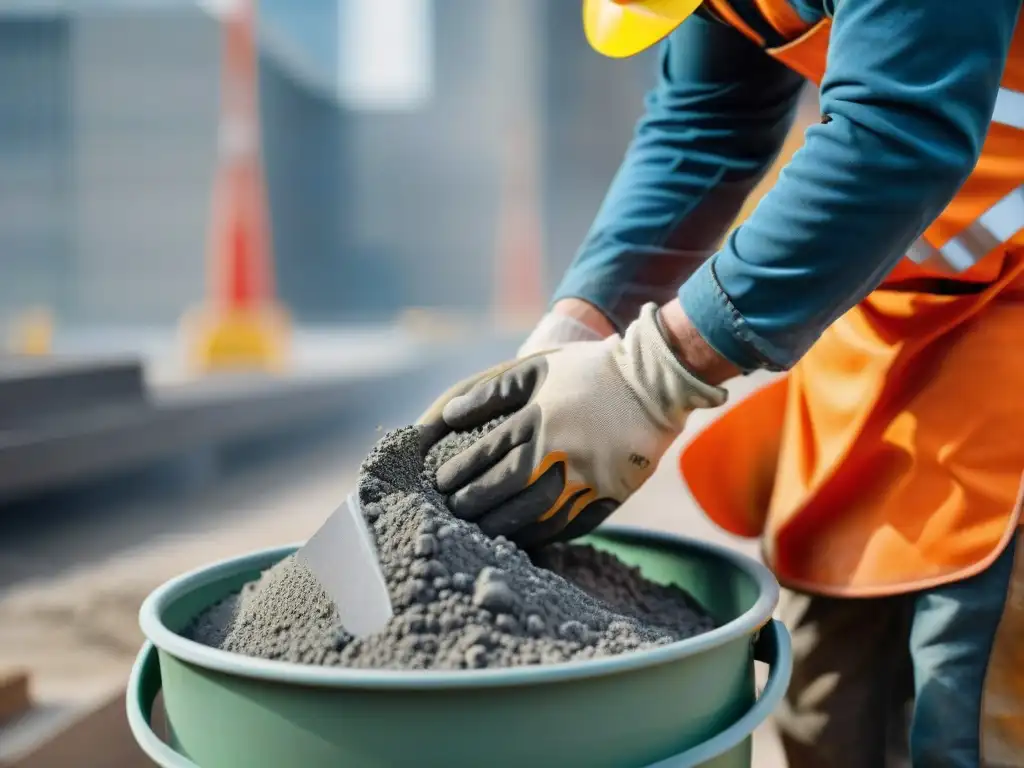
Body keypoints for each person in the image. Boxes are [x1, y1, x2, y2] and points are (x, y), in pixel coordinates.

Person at [419, 1, 1024, 766]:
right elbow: (705, 124)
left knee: (964, 710)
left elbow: (897, 133)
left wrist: (651, 376)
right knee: (829, 714)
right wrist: (578, 327)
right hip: (887, 314)